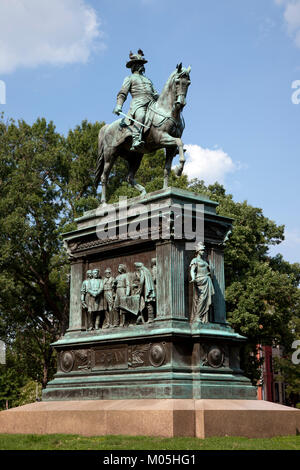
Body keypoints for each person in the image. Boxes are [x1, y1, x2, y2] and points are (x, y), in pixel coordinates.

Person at [113, 49, 159, 151]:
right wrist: (119, 105)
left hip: (152, 103)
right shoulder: (129, 78)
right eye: (139, 64)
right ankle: (136, 139)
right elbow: (122, 93)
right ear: (134, 66)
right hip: (138, 104)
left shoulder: (148, 80)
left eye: (142, 64)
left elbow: (155, 93)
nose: (142, 66)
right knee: (141, 115)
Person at [190, 242, 214, 323]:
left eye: (204, 250)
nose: (203, 251)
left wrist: (211, 269)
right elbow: (192, 270)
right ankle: (197, 316)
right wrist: (193, 278)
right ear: (198, 251)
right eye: (202, 250)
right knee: (202, 298)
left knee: (206, 299)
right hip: (200, 281)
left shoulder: (205, 261)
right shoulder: (195, 260)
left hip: (207, 280)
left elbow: (210, 273)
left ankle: (203, 318)